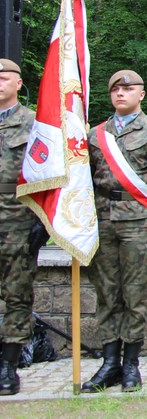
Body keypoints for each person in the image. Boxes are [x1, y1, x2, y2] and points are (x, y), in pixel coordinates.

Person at [81, 70, 147, 393]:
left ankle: (131, 365)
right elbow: (82, 181)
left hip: (139, 222)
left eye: (128, 88)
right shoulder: (96, 135)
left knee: (135, 294)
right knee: (107, 294)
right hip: (103, 222)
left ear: (142, 94)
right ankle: (109, 363)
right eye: (115, 89)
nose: (121, 93)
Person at [0, 59, 45, 396]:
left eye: (4, 77)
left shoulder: (34, 125)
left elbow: (49, 177)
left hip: (17, 219)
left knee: (17, 295)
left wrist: (41, 222)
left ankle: (9, 366)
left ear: (18, 83)